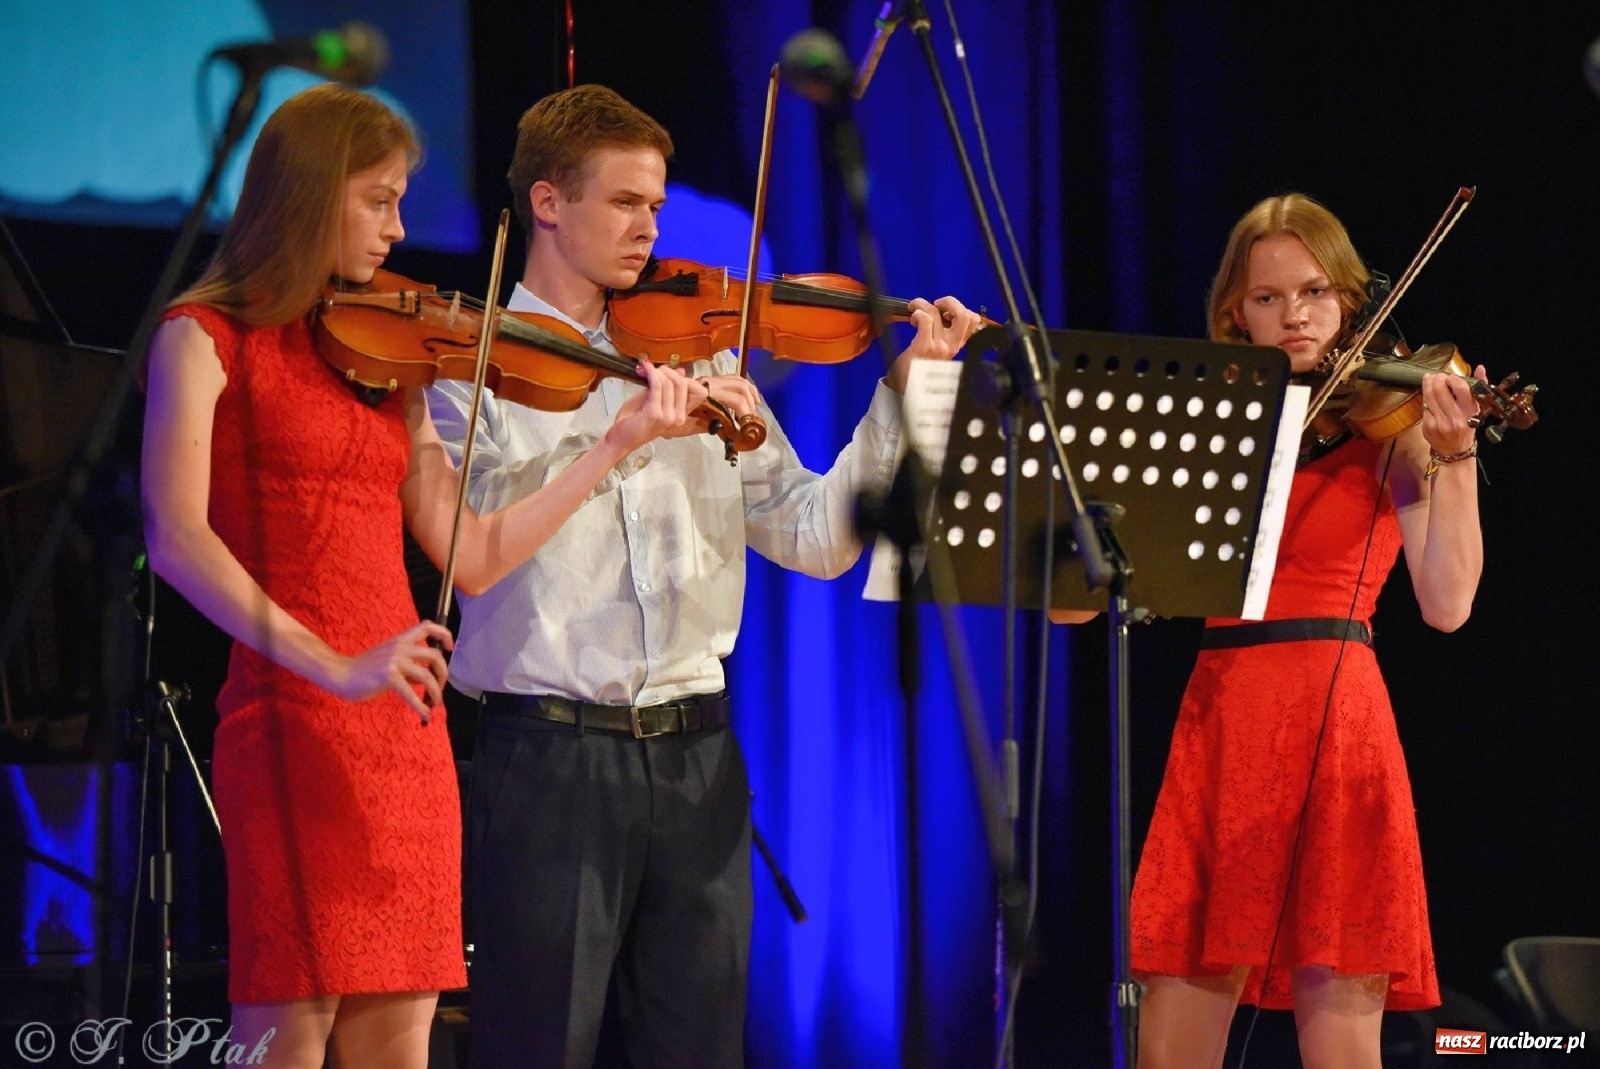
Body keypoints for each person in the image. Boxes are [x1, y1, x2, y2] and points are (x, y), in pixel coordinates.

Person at [139, 83, 704, 1069]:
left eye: (403, 200)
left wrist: (610, 445)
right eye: (378, 200)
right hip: (288, 720)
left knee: (402, 1039)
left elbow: (474, 552)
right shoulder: (202, 335)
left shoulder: (386, 361)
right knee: (285, 1031)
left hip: (402, 733)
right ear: (311, 195)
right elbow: (177, 538)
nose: (401, 229)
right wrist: (336, 664)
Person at [428, 82, 983, 1068]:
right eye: (626, 202)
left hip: (697, 754)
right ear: (549, 203)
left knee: (699, 1050)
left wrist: (910, 390)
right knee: (536, 1047)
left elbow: (819, 536)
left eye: (658, 202)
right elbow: (477, 550)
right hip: (548, 757)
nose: (652, 227)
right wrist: (620, 434)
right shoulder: (465, 363)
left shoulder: (695, 346)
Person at [1093, 193, 1484, 1069]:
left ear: (1349, 298)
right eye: (1269, 298)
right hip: (1223, 715)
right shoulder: (1213, 424)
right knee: (1169, 1047)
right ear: (1236, 311)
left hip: (1337, 722)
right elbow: (1078, 604)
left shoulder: (1390, 428)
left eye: (1314, 291)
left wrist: (1453, 454)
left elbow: (1448, 602)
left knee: (1342, 1045)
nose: (1295, 314)